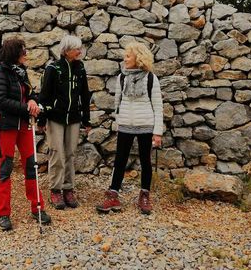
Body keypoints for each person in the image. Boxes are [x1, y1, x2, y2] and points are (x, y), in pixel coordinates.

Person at [0, 37, 51, 231]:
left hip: (23, 126)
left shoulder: (20, 72)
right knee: (5, 167)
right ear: (15, 53)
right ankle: (3, 213)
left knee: (31, 166)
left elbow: (28, 93)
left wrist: (32, 101)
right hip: (6, 127)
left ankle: (37, 207)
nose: (27, 54)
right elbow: (0, 101)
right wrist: (26, 108)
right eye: (24, 51)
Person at [96, 42, 163, 215]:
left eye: (128, 56)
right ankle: (113, 195)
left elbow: (158, 106)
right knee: (120, 160)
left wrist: (157, 132)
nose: (124, 59)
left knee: (145, 161)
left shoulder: (150, 78)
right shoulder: (121, 78)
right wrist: (119, 122)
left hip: (146, 126)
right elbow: (117, 103)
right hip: (125, 125)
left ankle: (144, 195)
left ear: (138, 58)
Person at [38, 35, 91, 210]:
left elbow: (85, 94)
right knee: (56, 153)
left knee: (70, 153)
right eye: (76, 49)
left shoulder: (80, 68)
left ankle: (68, 188)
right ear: (67, 51)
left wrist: (86, 118)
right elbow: (44, 95)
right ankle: (55, 189)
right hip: (55, 117)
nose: (80, 51)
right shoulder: (53, 68)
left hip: (74, 117)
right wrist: (42, 118)